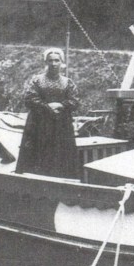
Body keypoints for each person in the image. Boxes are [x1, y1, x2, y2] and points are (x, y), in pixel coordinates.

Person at [16, 48, 81, 179]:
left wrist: (61, 105)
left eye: (57, 60)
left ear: (62, 62)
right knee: (38, 153)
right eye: (50, 60)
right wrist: (46, 107)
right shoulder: (37, 80)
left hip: (60, 124)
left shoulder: (68, 82)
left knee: (60, 154)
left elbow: (75, 101)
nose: (53, 64)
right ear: (46, 62)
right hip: (39, 124)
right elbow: (29, 99)